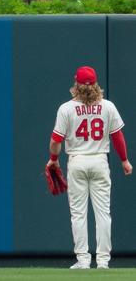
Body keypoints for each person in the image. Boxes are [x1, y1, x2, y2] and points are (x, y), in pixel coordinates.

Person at [47, 65, 132, 270]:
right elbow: (117, 136)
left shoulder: (66, 108)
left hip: (77, 161)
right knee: (103, 213)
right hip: (99, 160)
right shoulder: (107, 106)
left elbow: (56, 140)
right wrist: (124, 160)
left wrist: (53, 159)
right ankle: (103, 261)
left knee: (78, 213)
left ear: (76, 84)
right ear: (96, 84)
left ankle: (83, 260)